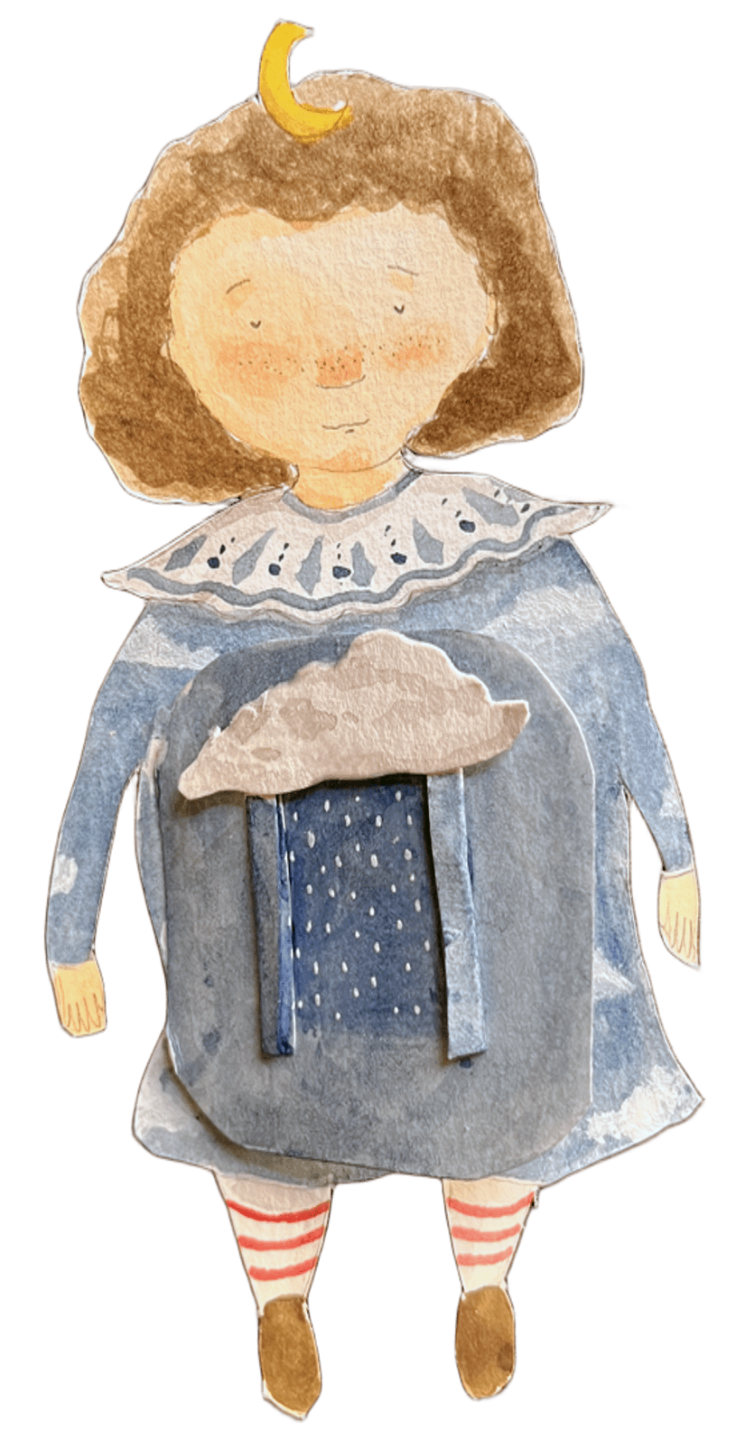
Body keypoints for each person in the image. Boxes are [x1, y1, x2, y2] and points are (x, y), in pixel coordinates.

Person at [46, 22, 702, 1422]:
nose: (336, 355)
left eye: (394, 299)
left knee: (511, 1074)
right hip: (266, 904)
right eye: (258, 323)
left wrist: (679, 857)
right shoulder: (207, 585)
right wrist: (69, 933)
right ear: (178, 357)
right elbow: (112, 752)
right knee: (258, 1098)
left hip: (490, 890)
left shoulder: (511, 546)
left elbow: (604, 691)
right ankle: (280, 1305)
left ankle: (487, 1282)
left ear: (484, 314)